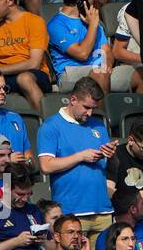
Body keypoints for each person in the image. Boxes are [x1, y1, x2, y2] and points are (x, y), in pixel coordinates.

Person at [36, 77, 117, 227]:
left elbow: (112, 166)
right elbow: (46, 166)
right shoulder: (51, 126)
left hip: (103, 211)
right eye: (86, 107)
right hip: (71, 213)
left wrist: (111, 155)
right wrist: (81, 156)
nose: (90, 113)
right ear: (73, 99)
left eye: (93, 108)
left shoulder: (99, 126)